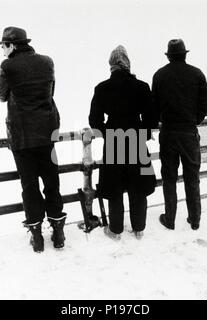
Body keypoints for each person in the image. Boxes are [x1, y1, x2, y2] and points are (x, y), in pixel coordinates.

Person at [0, 26, 66, 252]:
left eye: (4, 46)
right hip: (47, 134)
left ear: (12, 45)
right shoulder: (47, 62)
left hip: (23, 138)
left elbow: (0, 94)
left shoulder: (8, 66)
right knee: (52, 183)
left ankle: (36, 236)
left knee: (30, 186)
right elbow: (50, 91)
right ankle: (58, 231)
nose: (2, 51)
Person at [89, 45, 156, 240]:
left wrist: (107, 133)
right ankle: (139, 229)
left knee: (114, 188)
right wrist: (141, 135)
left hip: (114, 143)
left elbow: (94, 120)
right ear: (127, 64)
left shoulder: (102, 88)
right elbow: (152, 119)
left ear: (111, 66)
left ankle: (116, 230)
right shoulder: (142, 87)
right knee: (139, 187)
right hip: (136, 142)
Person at [152, 39, 207, 231]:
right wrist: (194, 120)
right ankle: (195, 219)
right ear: (185, 54)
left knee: (169, 178)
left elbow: (155, 106)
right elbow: (205, 104)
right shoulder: (197, 74)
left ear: (169, 56)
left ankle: (170, 219)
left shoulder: (159, 75)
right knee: (192, 178)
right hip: (189, 133)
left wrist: (165, 119)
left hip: (168, 133)